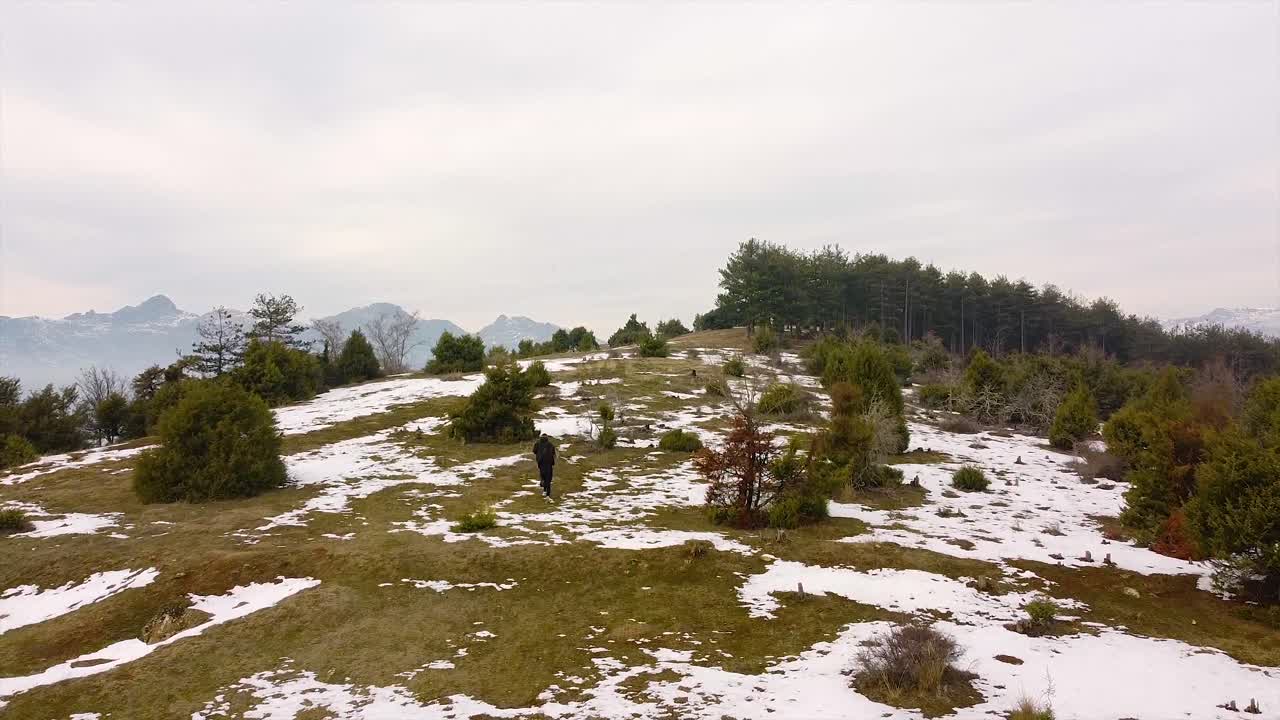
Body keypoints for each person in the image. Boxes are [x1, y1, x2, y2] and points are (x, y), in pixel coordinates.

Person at [532, 433, 556, 498]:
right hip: (549, 463)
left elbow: (534, 451)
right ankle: (547, 493)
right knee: (548, 478)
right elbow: (553, 453)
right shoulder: (550, 444)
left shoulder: (537, 444)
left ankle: (544, 488)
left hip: (541, 463)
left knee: (543, 475)